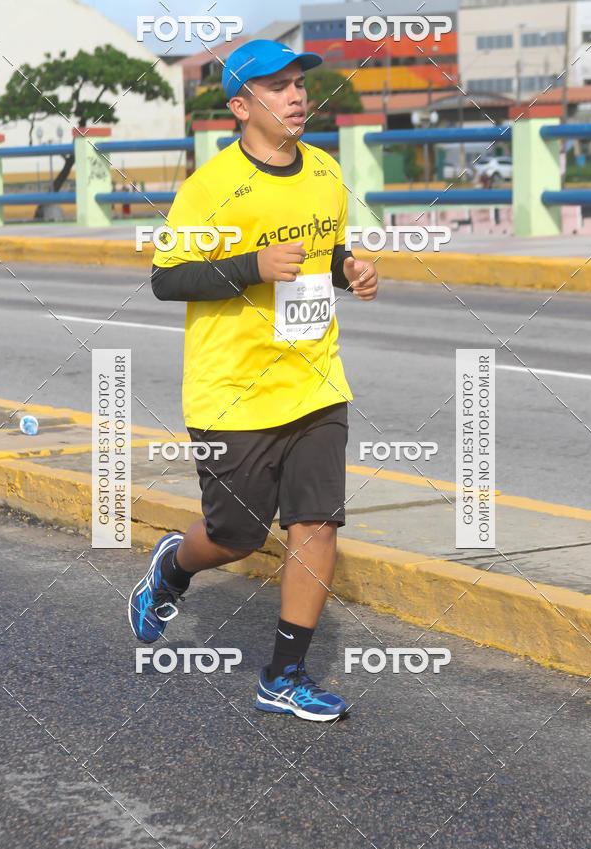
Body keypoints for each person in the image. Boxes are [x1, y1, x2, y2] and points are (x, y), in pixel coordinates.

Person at [128, 39, 378, 722]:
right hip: (232, 392)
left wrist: (349, 269)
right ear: (241, 105)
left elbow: (321, 255)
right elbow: (165, 278)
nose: (297, 96)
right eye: (278, 87)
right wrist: (248, 264)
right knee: (237, 535)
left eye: (300, 84)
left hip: (316, 380)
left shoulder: (325, 170)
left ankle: (284, 676)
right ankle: (175, 567)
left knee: (317, 525)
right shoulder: (209, 187)